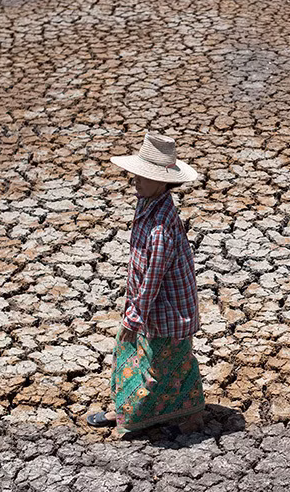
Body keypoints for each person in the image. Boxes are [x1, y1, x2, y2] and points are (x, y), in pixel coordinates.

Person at [86, 133, 204, 435]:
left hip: (165, 309)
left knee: (159, 366)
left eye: (143, 175)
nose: (135, 180)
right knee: (136, 356)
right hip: (148, 304)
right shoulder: (148, 204)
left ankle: (141, 417)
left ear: (163, 181)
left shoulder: (161, 227)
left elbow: (153, 278)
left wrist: (134, 317)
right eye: (136, 173)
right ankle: (127, 409)